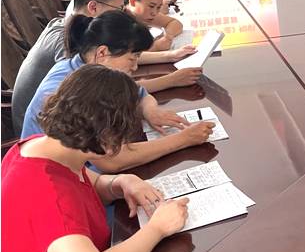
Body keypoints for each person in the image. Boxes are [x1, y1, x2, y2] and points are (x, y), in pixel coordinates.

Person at [2, 64, 190, 252]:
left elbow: (92, 183)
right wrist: (157, 228)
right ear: (107, 135)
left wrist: (121, 182)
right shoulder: (48, 191)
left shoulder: (44, 148)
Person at [20, 11, 214, 173]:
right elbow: (112, 159)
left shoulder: (86, 70)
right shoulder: (74, 90)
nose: (135, 67)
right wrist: (184, 139)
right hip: (61, 179)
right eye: (132, 58)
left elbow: (138, 92)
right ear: (102, 53)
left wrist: (151, 110)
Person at [12, 0, 127, 136]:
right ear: (93, 7)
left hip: (60, 120)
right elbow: (90, 88)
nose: (122, 16)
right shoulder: (66, 40)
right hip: (40, 133)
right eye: (119, 10)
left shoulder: (72, 27)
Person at [124, 0, 201, 91]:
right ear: (133, 1)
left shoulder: (144, 14)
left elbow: (175, 23)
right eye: (151, 6)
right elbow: (126, 57)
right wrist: (156, 47)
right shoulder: (118, 23)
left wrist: (168, 38)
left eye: (159, 7)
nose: (155, 13)